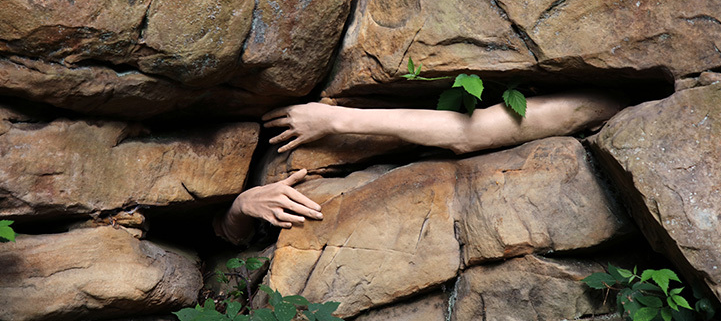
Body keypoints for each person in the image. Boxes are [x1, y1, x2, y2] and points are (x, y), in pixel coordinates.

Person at [215, 89, 625, 244]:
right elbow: (215, 240)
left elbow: (471, 133)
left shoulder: (615, 103)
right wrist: (241, 206)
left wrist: (337, 120)